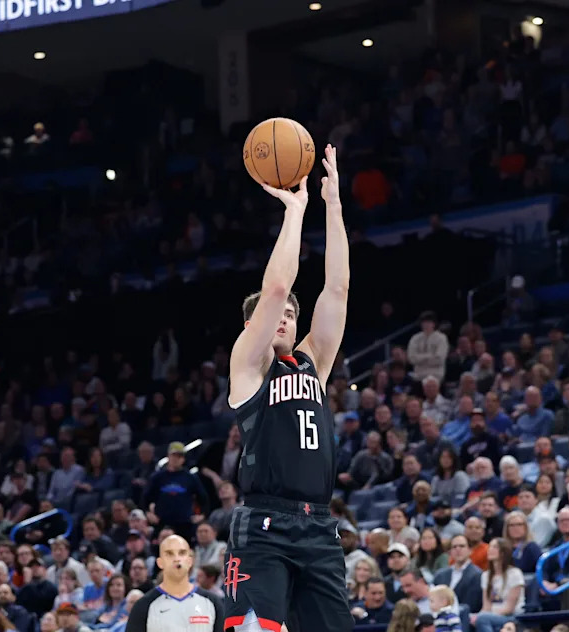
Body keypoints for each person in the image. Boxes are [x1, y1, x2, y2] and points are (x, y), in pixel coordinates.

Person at [221, 146, 352, 632]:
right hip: (263, 526)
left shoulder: (313, 363)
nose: (284, 317)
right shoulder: (249, 366)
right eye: (277, 315)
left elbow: (337, 289)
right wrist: (295, 210)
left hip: (319, 525)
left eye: (293, 315)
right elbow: (276, 290)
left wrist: (333, 206)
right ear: (253, 325)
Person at [126, 535, 224, 632]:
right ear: (160, 563)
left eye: (182, 553)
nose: (177, 559)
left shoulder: (212, 602)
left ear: (190, 561)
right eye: (169, 554)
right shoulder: (144, 605)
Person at [142, 442, 209, 538]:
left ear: (183, 459)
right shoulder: (157, 477)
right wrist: (148, 513)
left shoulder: (190, 477)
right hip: (162, 524)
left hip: (185, 525)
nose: (176, 459)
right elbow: (145, 498)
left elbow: (204, 498)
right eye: (174, 455)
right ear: (168, 456)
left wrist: (202, 515)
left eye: (179, 456)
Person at [473, 538, 525, 632]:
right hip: (490, 615)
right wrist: (475, 617)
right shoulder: (485, 575)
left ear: (503, 552)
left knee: (482, 619)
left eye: (495, 547)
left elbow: (509, 608)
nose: (490, 549)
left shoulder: (515, 573)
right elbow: (486, 606)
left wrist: (482, 616)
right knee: (466, 616)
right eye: (490, 546)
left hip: (512, 616)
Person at [433, 534, 483, 614]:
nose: (458, 549)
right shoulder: (440, 575)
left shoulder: (477, 575)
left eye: (462, 546)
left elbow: (472, 605)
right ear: (450, 552)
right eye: (454, 547)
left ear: (470, 550)